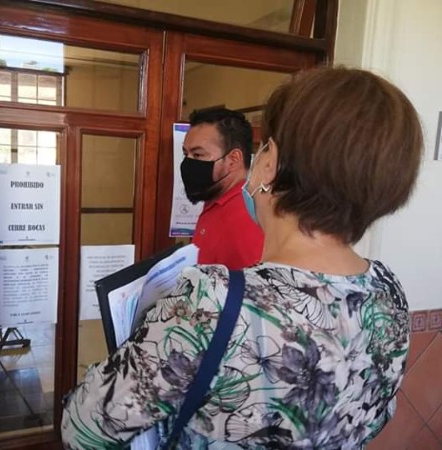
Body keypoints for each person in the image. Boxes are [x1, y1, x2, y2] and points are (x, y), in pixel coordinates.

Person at [61, 66, 422, 449]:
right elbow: (377, 414)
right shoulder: (388, 292)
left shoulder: (212, 301)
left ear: (270, 162)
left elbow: (83, 427)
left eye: (263, 146)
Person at [180, 108, 264, 269]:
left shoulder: (247, 217)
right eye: (186, 154)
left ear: (233, 159)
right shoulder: (215, 199)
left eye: (198, 155)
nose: (188, 163)